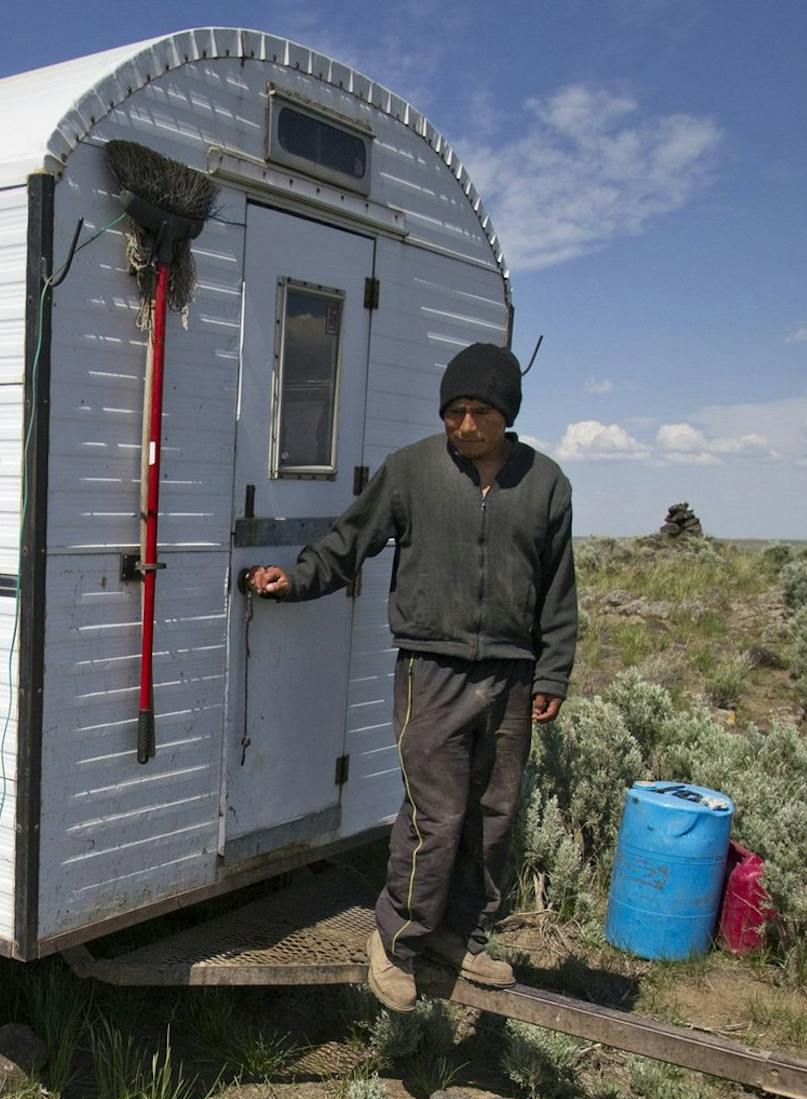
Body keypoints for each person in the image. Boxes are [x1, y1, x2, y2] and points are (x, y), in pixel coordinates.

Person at [244, 342, 577, 1009]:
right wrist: (296, 577)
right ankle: (396, 942)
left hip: (510, 676)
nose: (463, 424)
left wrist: (553, 672)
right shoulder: (412, 471)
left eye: (478, 410)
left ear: (506, 412)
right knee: (437, 813)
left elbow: (558, 589)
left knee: (494, 815)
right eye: (453, 411)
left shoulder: (545, 484)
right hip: (433, 668)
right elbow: (349, 542)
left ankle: (462, 937)